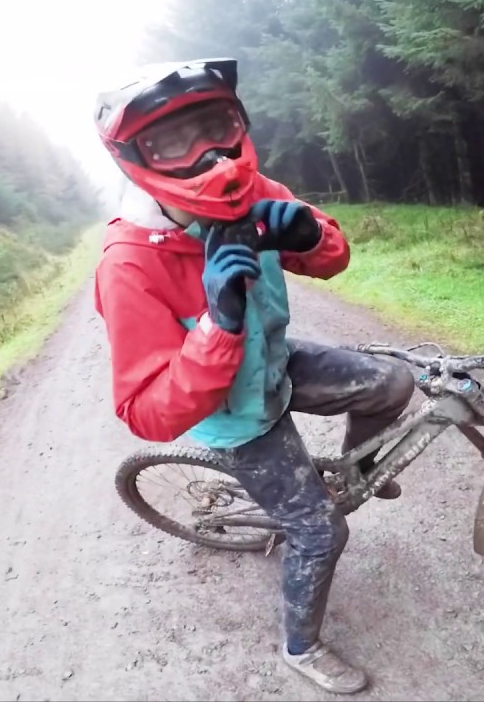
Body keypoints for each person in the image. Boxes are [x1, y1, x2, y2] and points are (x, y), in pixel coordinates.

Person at [91, 59, 415, 694]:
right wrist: (218, 324)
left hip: (277, 364)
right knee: (321, 533)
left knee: (393, 383)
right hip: (234, 418)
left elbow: (333, 260)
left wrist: (312, 235)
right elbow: (146, 411)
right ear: (136, 158)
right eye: (174, 141)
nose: (211, 156)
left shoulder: (255, 189)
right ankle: (302, 646)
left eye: (218, 126)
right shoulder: (128, 265)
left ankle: (357, 473)